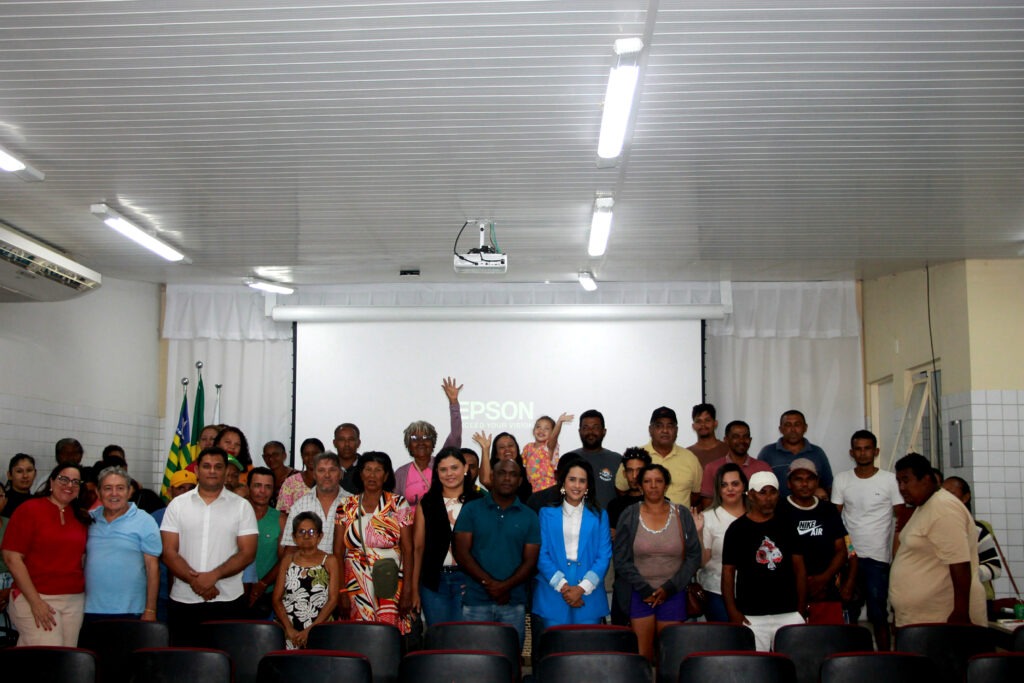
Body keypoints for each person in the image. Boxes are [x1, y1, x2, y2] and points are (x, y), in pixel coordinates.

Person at [160, 446, 258, 645]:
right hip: (184, 600)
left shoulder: (242, 506)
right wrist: (195, 581)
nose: (212, 471)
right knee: (183, 666)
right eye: (206, 466)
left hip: (228, 600)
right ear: (196, 471)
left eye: (218, 466)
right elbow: (169, 552)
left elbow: (248, 553)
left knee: (224, 665)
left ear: (226, 471)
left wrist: (214, 575)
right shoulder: (177, 505)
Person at [613, 464, 701, 663]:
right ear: (640, 486)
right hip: (640, 594)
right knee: (642, 656)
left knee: (669, 657)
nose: (653, 486)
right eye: (647, 481)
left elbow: (694, 556)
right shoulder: (629, 514)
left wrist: (669, 588)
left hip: (674, 593)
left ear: (666, 485)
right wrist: (644, 589)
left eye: (658, 481)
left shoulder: (682, 514)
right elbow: (621, 558)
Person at [889, 453, 986, 627]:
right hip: (921, 618)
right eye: (898, 482)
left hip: (943, 620)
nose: (901, 487)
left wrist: (961, 613)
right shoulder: (925, 505)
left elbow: (960, 564)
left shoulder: (943, 508)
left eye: (906, 480)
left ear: (926, 479)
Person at [1, 463, 92, 646]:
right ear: (51, 481)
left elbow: (81, 560)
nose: (69, 485)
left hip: (73, 599)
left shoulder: (82, 517)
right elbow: (12, 557)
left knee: (65, 662)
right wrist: (35, 602)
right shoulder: (29, 509)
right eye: (63, 479)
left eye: (75, 482)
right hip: (35, 596)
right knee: (47, 657)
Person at [454, 459, 540, 647]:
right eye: (501, 473)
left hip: (513, 602)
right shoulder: (471, 509)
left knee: (509, 662)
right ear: (492, 477)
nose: (507, 478)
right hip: (476, 600)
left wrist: (505, 587)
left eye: (513, 474)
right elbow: (461, 553)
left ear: (520, 481)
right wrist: (491, 584)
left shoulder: (530, 516)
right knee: (474, 663)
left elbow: (530, 561)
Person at [830, 429, 901, 651]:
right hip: (850, 558)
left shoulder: (890, 480)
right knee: (848, 611)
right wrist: (846, 553)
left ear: (876, 451)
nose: (862, 453)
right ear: (852, 452)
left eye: (867, 448)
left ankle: (885, 658)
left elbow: (902, 520)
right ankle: (850, 658)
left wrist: (897, 555)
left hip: (878, 558)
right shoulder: (842, 479)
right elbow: (835, 521)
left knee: (878, 614)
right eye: (858, 449)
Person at [722, 471, 806, 651]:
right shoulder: (737, 530)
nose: (768, 498)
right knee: (756, 670)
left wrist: (800, 609)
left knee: (790, 668)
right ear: (751, 495)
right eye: (762, 492)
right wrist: (733, 611)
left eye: (773, 492)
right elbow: (728, 573)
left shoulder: (788, 525)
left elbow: (799, 569)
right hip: (752, 615)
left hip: (788, 612)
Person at [335, 452, 415, 633]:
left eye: (378, 470)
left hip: (390, 578)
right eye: (367, 470)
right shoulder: (346, 505)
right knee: (356, 634)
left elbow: (408, 550)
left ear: (386, 476)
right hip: (354, 583)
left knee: (388, 634)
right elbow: (338, 551)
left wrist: (408, 590)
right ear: (360, 474)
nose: (372, 475)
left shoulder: (398, 503)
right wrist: (341, 591)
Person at [533, 459, 611, 631]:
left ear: (588, 486)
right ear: (563, 483)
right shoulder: (546, 514)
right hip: (553, 591)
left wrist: (581, 589)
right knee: (555, 651)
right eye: (572, 479)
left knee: (586, 652)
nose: (577, 485)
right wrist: (564, 587)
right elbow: (541, 554)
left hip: (589, 593)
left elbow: (604, 555)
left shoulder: (599, 515)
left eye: (582, 481)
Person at [410, 447, 481, 626]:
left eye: (454, 467)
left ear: (465, 468)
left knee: (462, 640)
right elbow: (418, 548)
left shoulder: (479, 502)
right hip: (433, 583)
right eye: (443, 469)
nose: (449, 474)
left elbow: (487, 547)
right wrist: (413, 589)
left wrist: (478, 582)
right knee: (438, 639)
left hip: (467, 581)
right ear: (437, 473)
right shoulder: (427, 503)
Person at [779, 459, 854, 624]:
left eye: (810, 479)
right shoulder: (779, 510)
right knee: (793, 644)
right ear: (789, 483)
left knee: (830, 643)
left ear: (817, 481)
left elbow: (842, 550)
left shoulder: (827, 510)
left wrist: (823, 579)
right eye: (798, 479)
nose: (805, 484)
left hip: (826, 592)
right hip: (788, 594)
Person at [84, 466, 162, 622]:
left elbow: (153, 568)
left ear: (129, 491)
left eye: (120, 488)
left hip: (132, 610)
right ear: (98, 493)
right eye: (108, 488)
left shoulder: (145, 521)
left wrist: (150, 609)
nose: (114, 494)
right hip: (89, 610)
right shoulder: (88, 520)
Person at [272, 512, 340, 649]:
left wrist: (310, 630)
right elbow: (276, 598)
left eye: (311, 531)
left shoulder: (330, 561)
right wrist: (289, 629)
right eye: (301, 531)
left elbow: (333, 600)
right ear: (294, 537)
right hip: (289, 629)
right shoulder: (287, 560)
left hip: (319, 627)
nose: (306, 536)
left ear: (320, 536)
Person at [394, 377, 463, 505]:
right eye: (415, 438)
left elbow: (455, 436)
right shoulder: (400, 474)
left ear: (433, 442)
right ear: (408, 444)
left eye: (426, 437)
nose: (421, 442)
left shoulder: (442, 464)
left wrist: (453, 403)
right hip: (411, 524)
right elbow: (395, 507)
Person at [941, 476, 1002, 618]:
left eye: (951, 494)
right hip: (943, 602)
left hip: (977, 599)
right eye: (941, 494)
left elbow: (995, 567)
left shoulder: (977, 529)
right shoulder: (935, 528)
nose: (944, 499)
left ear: (965, 498)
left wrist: (964, 575)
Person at [697, 463, 748, 623]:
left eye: (735, 484)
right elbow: (702, 562)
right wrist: (698, 532)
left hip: (752, 592)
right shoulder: (708, 517)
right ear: (718, 490)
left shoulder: (756, 516)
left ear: (744, 486)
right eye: (724, 485)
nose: (730, 489)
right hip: (716, 591)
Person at [281, 452, 351, 555]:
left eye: (332, 470)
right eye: (321, 470)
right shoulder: (299, 506)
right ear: (314, 474)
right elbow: (290, 549)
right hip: (308, 569)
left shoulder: (353, 503)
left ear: (340, 474)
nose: (327, 475)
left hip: (345, 569)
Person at [151, 469, 197, 623]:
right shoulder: (155, 519)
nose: (186, 492)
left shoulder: (204, 516)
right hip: (162, 593)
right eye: (181, 488)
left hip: (195, 592)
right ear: (170, 491)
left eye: (191, 488)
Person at [756, 410, 833, 498]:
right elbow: (758, 486)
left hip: (810, 508)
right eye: (788, 425)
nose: (793, 429)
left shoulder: (817, 453)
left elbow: (828, 485)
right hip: (777, 509)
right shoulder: (767, 452)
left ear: (805, 427)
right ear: (780, 429)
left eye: (797, 424)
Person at [699, 420, 772, 509]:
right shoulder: (712, 468)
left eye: (745, 437)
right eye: (736, 437)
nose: (741, 440)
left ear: (750, 440)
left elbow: (770, 499)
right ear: (726, 440)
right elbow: (707, 504)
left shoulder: (763, 468)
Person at [243, 467, 281, 617]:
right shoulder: (234, 516)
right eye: (257, 485)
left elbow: (285, 558)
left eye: (268, 487)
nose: (262, 491)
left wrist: (263, 584)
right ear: (248, 488)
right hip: (232, 592)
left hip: (268, 594)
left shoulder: (281, 519)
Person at [564, 409, 622, 508]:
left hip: (608, 521)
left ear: (604, 431)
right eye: (586, 428)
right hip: (574, 520)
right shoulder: (569, 459)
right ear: (580, 431)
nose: (590, 432)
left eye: (595, 428)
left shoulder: (617, 459)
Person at [474, 431, 534, 503]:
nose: (507, 449)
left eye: (510, 446)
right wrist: (485, 449)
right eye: (502, 447)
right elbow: (486, 481)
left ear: (517, 449)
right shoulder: (495, 473)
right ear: (496, 454)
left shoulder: (527, 471)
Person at [521, 412, 573, 491]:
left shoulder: (548, 447)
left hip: (548, 488)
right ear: (533, 430)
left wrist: (559, 422)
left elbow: (554, 437)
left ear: (552, 433)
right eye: (538, 427)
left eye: (546, 428)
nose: (541, 430)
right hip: (533, 489)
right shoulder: (528, 447)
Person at [277, 437, 324, 513]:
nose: (311, 458)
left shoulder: (332, 481)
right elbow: (283, 514)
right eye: (306, 454)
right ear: (302, 456)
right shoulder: (291, 482)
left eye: (315, 454)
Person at [687, 404, 730, 469]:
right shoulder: (688, 454)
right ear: (693, 426)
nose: (703, 424)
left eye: (707, 420)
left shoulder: (728, 450)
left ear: (715, 423)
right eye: (698, 421)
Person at [4, 454, 37, 518]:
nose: (25, 476)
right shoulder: (3, 501)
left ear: (35, 474)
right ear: (9, 475)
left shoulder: (39, 501)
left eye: (29, 470)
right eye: (19, 471)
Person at [333, 424, 362, 492]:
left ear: (358, 443)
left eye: (351, 439)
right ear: (334, 443)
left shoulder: (367, 468)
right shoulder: (325, 469)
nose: (347, 444)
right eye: (342, 440)